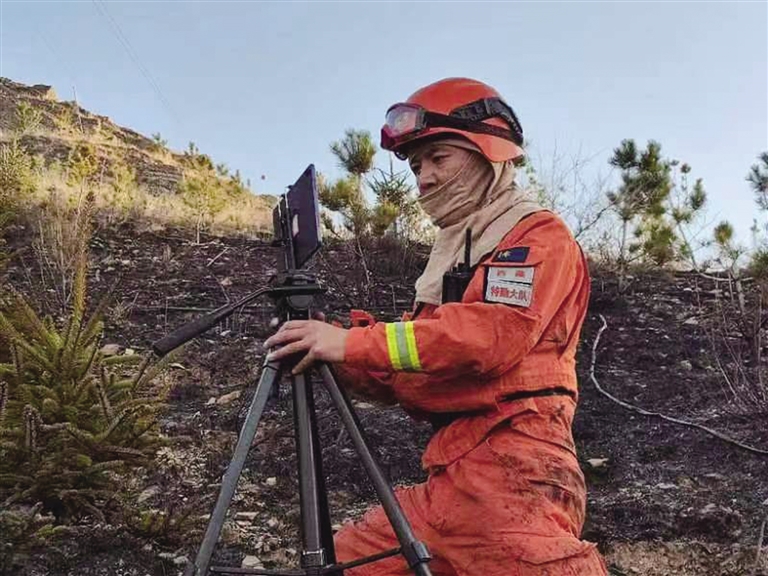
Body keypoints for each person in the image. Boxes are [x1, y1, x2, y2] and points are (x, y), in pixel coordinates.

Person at [264, 77, 608, 576]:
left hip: (515, 472)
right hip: (451, 475)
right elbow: (414, 367)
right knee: (342, 565)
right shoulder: (458, 251)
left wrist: (351, 342)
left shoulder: (537, 237)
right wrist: (326, 347)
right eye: (416, 166)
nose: (424, 179)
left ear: (487, 153)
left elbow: (486, 338)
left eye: (438, 159)